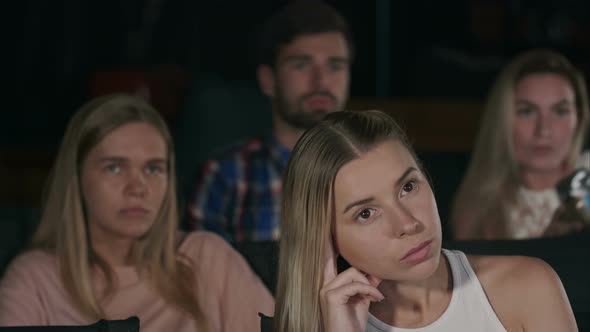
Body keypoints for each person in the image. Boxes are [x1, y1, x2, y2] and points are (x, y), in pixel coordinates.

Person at [271, 110, 577, 331]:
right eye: (365, 213)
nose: (408, 224)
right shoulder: (321, 325)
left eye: (408, 187)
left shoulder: (528, 287)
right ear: (326, 237)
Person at [0, 94, 274, 331]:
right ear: (77, 177)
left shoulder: (206, 259)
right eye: (115, 167)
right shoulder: (36, 277)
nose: (137, 188)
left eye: (153, 169)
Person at [185, 0, 353, 242]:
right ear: (268, 80)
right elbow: (201, 274)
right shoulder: (227, 176)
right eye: (302, 65)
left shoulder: (374, 169)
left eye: (335, 66)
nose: (321, 81)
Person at [451, 49, 590, 240]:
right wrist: (551, 246)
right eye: (527, 112)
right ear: (503, 119)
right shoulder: (481, 208)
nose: (544, 130)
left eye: (560, 111)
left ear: (579, 118)